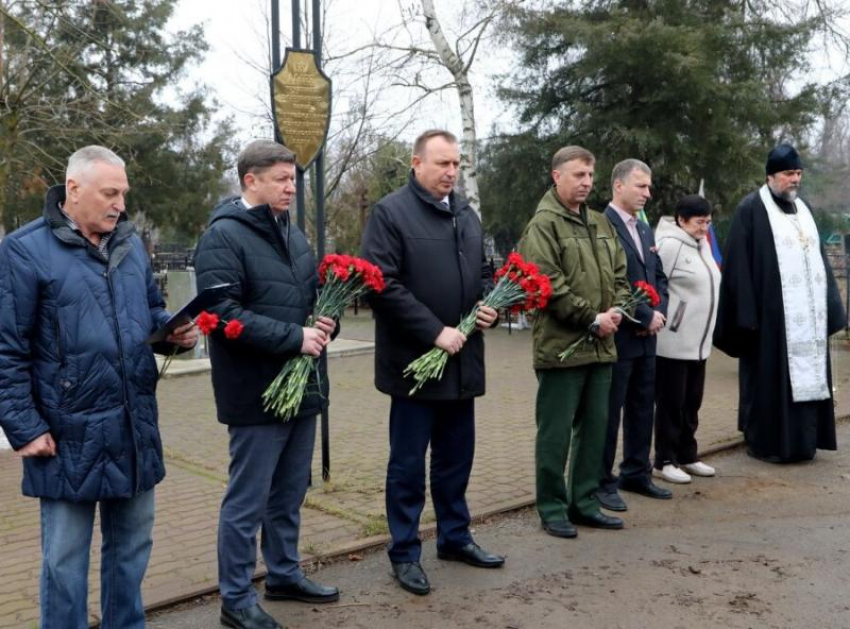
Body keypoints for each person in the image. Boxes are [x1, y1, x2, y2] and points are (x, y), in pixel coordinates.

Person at [0, 146, 198, 629]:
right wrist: (24, 428)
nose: (120, 205)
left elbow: (149, 314)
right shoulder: (24, 251)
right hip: (67, 435)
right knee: (64, 563)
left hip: (133, 426)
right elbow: (7, 350)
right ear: (73, 189)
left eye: (123, 194)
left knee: (131, 551)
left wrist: (172, 333)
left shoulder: (129, 246)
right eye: (110, 193)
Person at [194, 140, 339, 629]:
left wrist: (324, 321)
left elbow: (309, 297)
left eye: (292, 179)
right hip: (256, 390)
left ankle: (283, 573)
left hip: (302, 385)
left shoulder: (293, 235)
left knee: (290, 491)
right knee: (247, 500)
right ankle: (235, 598)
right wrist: (294, 337)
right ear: (250, 180)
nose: (290, 187)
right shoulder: (222, 238)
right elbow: (221, 313)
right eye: (280, 178)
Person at [360, 129, 504, 597]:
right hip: (415, 363)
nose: (451, 173)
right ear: (416, 163)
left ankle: (454, 537)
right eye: (442, 164)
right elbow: (381, 284)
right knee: (407, 466)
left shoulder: (465, 212)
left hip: (463, 360)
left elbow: (483, 271)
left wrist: (489, 304)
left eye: (456, 164)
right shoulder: (390, 213)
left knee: (455, 460)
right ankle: (404, 552)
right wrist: (434, 331)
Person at [518, 146, 631, 539]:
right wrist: (590, 317)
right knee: (556, 432)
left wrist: (616, 308)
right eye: (578, 175)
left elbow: (619, 271)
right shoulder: (543, 225)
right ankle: (552, 507)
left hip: (601, 345)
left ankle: (584, 502)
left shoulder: (600, 222)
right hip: (561, 347)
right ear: (557, 177)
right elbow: (547, 284)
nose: (586, 183)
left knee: (596, 428)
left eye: (589, 176)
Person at [714, 144, 846, 463]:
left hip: (806, 324)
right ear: (771, 176)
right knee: (768, 384)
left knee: (805, 383)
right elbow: (737, 267)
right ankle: (767, 443)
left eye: (798, 173)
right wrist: (747, 317)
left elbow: (820, 264)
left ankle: (805, 442)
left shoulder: (805, 210)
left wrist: (830, 307)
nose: (795, 180)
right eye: (788, 173)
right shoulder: (751, 210)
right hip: (769, 322)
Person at [597, 159, 671, 512]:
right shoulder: (602, 225)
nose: (647, 193)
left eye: (648, 186)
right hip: (618, 337)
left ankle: (637, 472)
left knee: (643, 407)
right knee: (610, 413)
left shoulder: (644, 229)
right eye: (641, 186)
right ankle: (601, 481)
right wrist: (642, 315)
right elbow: (610, 282)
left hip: (647, 337)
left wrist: (659, 314)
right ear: (618, 186)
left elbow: (659, 278)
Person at [653, 195, 722, 483]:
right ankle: (664, 459)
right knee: (671, 403)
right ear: (681, 220)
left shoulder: (703, 244)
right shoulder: (669, 246)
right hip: (673, 343)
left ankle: (687, 454)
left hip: (699, 343)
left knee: (692, 401)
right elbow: (656, 286)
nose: (704, 228)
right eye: (699, 222)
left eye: (708, 222)